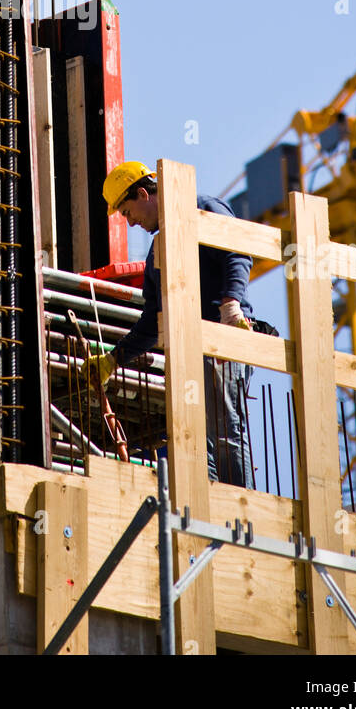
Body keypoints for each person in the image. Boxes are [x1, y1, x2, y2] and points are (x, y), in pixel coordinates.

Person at [91, 160, 256, 488]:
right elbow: (153, 321)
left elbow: (237, 255)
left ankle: (243, 506)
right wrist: (115, 358)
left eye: (127, 212)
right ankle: (212, 508)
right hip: (187, 351)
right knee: (194, 438)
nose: (130, 223)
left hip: (223, 336)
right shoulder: (157, 254)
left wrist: (231, 306)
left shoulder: (203, 209)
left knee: (224, 432)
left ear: (142, 193)